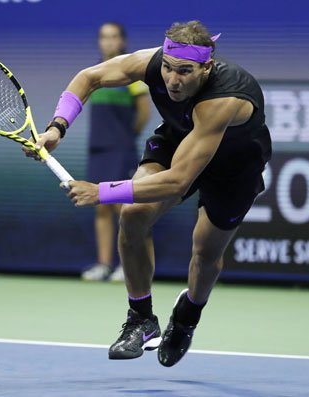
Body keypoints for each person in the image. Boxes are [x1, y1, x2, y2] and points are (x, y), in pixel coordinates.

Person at [26, 20, 272, 367]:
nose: (173, 80)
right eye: (169, 69)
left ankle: (187, 316)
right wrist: (57, 126)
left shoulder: (223, 99)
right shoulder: (152, 63)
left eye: (184, 72)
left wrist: (101, 191)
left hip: (234, 168)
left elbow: (177, 182)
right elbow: (89, 77)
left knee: (205, 254)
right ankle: (141, 318)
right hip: (178, 140)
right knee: (134, 214)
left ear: (207, 68)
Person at [80, 22, 151, 282]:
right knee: (101, 207)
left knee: (123, 207)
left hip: (121, 149)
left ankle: (126, 266)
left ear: (121, 41)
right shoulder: (94, 75)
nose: (108, 42)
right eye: (103, 37)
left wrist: (126, 137)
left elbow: (144, 112)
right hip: (98, 148)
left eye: (113, 37)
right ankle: (103, 264)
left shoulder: (131, 73)